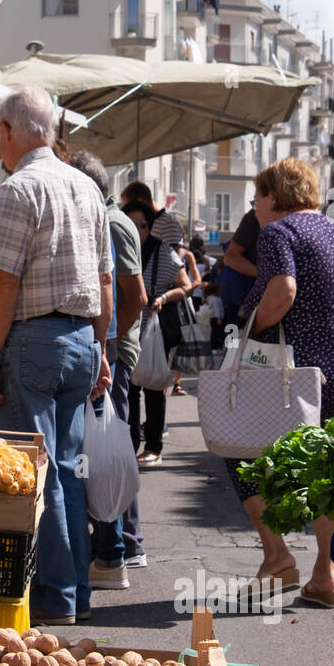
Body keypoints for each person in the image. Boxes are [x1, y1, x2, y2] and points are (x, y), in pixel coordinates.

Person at [0, 87, 113, 626]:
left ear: (11, 131)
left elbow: (3, 283)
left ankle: (54, 599)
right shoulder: (86, 187)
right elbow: (104, 282)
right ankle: (75, 594)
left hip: (33, 343)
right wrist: (101, 347)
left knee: (36, 474)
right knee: (65, 471)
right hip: (80, 341)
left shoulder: (18, 189)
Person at [228, 157, 334, 603]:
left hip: (294, 376)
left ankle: (277, 556)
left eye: (257, 197)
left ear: (274, 196)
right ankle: (324, 574)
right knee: (328, 472)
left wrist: (253, 334)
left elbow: (284, 290)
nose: (255, 206)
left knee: (238, 449)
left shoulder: (278, 232)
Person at [70, 150, 149, 589]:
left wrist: (109, 342)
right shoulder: (111, 220)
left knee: (102, 452)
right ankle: (120, 547)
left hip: (112, 351)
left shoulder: (112, 223)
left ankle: (114, 552)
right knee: (106, 447)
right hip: (110, 347)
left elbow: (132, 293)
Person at [123, 199, 191, 466]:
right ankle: (128, 445)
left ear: (149, 227)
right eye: (132, 223)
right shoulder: (118, 248)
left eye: (142, 224)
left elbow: (186, 285)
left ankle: (153, 447)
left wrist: (163, 296)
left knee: (153, 387)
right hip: (126, 327)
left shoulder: (162, 251)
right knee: (127, 388)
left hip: (153, 328)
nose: (137, 229)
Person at [219, 206, 260, 337]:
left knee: (232, 329)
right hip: (244, 294)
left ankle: (229, 352)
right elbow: (230, 258)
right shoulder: (253, 217)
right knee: (235, 334)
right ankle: (230, 353)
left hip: (235, 295)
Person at [169, 237, 203, 396]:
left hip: (182, 302)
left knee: (180, 344)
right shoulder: (163, 252)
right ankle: (163, 381)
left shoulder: (187, 255)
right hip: (166, 301)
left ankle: (176, 382)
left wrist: (186, 289)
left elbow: (197, 280)